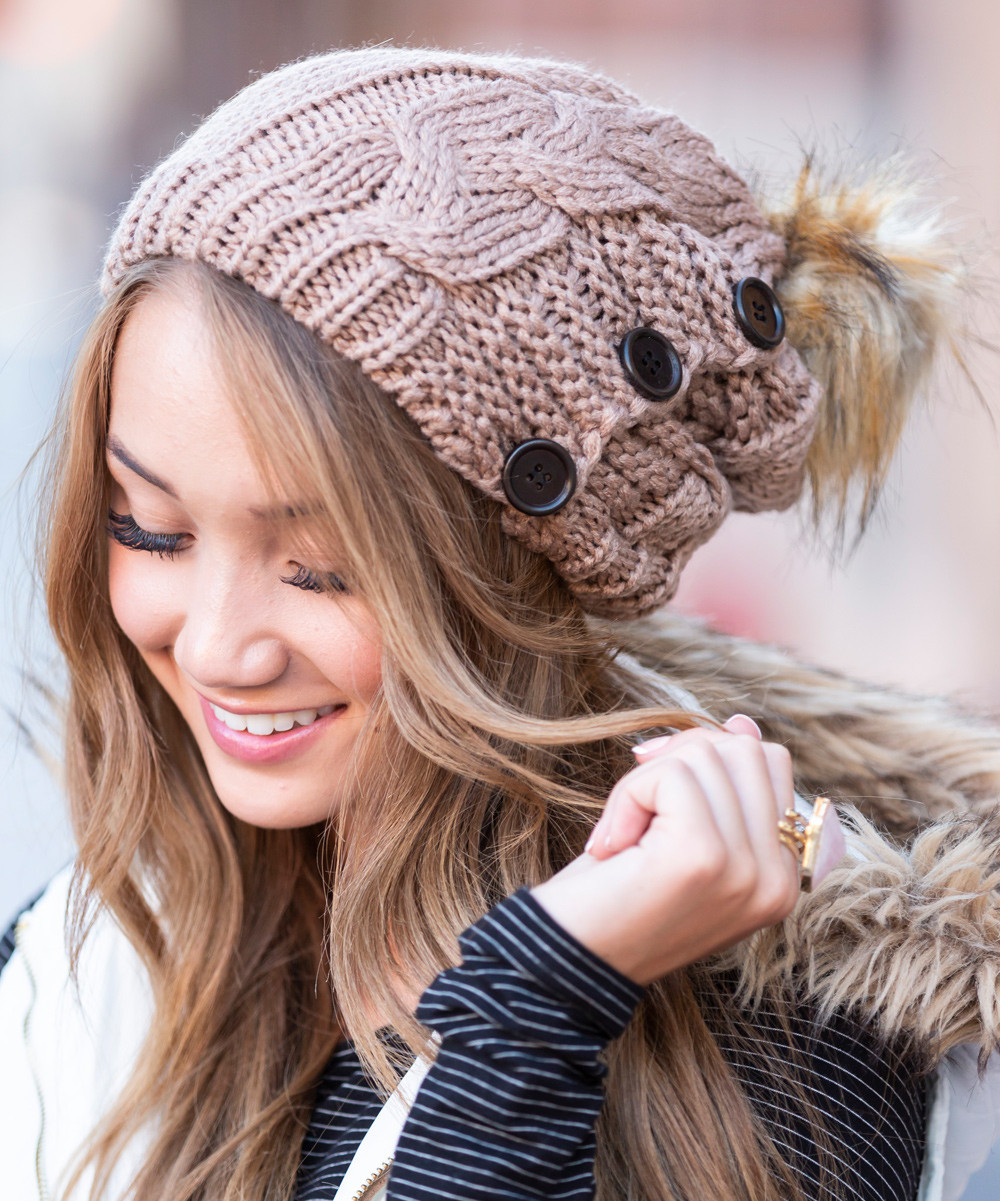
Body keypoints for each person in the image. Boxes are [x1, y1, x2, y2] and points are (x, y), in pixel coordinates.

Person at [1, 44, 998, 1201]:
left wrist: (535, 1010)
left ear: (521, 567)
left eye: (321, 568)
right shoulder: (90, 973)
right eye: (151, 528)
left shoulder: (794, 1062)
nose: (220, 645)